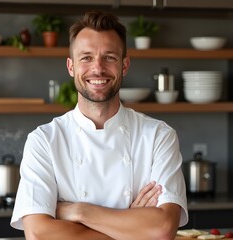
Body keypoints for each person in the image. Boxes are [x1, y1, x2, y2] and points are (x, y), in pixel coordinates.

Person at [11, 10, 188, 240]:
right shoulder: (44, 140)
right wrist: (131, 228)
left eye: (110, 57)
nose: (98, 68)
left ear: (124, 66)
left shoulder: (158, 136)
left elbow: (162, 229)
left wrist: (77, 210)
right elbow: (38, 234)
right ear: (71, 66)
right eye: (86, 57)